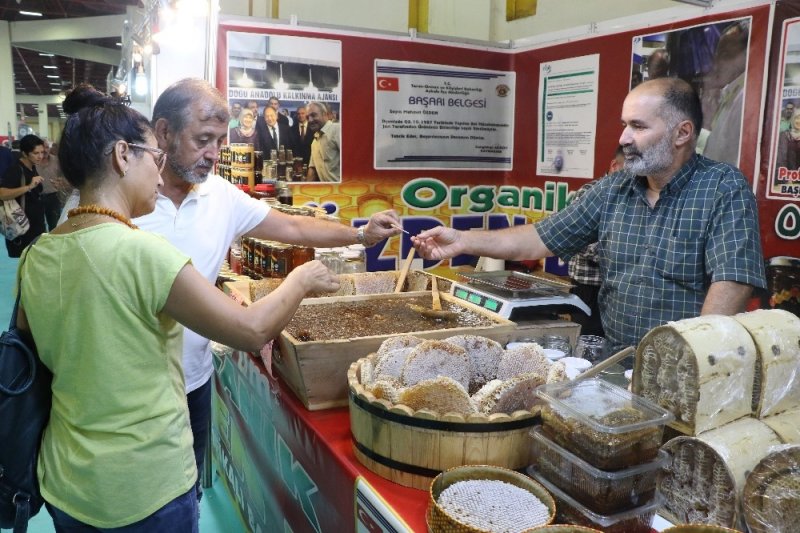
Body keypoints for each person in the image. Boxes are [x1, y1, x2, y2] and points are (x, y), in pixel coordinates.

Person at [17, 84, 339, 532]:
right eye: (154, 157)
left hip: (67, 479)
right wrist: (301, 279)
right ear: (122, 156)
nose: (159, 169)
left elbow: (34, 358)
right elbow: (249, 331)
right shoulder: (145, 252)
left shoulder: (38, 255)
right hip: (147, 484)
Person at [133, 78, 401, 501]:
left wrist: (361, 234)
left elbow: (292, 225)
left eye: (220, 142)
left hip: (192, 383)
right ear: (163, 132)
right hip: (128, 394)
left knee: (185, 501)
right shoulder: (123, 201)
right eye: (203, 140)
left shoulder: (219, 195)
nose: (213, 154)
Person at [413, 77, 766, 354]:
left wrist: (695, 359)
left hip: (685, 365)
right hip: (616, 359)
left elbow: (732, 281)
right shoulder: (614, 188)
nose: (624, 138)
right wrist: (463, 241)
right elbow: (539, 238)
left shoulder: (722, 187)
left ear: (682, 133)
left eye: (639, 127)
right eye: (625, 124)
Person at [565, 146, 625, 337]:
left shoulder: (630, 196)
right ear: (615, 166)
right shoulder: (590, 192)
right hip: (588, 284)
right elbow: (581, 241)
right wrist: (624, 256)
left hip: (615, 285)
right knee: (588, 340)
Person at [697, 20, 748, 167]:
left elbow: (727, 162)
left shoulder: (744, 98)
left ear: (747, 54)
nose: (716, 62)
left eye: (725, 55)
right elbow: (714, 152)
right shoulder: (728, 93)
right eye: (717, 54)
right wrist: (706, 122)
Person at [0, 134, 46, 257]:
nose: (40, 156)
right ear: (25, 153)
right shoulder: (15, 169)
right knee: (27, 265)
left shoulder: (32, 167)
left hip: (35, 225)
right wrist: (28, 187)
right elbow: (2, 194)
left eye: (42, 152)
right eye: (36, 153)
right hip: (22, 226)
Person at [305, 101, 340, 182]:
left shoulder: (337, 130)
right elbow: (312, 170)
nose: (310, 120)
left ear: (325, 114)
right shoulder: (314, 142)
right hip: (327, 192)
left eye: (313, 115)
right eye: (307, 117)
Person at [37, 141, 66, 230]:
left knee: (55, 224)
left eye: (47, 147)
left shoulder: (57, 160)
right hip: (37, 198)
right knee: (38, 225)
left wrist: (62, 181)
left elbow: (64, 176)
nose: (45, 150)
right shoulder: (34, 162)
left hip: (54, 197)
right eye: (42, 148)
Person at [775, 107, 800, 172]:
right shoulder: (784, 135)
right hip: (788, 177)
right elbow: (781, 160)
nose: (799, 121)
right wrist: (787, 179)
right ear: (792, 119)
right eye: (797, 118)